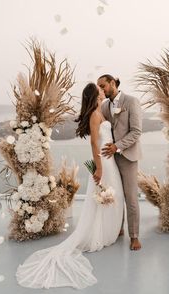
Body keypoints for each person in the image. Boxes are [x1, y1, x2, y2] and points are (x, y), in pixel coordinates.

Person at [16, 83, 124, 289]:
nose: (102, 90)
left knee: (111, 195)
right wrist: (98, 168)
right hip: (104, 161)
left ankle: (109, 230)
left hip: (109, 158)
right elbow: (94, 143)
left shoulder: (100, 110)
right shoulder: (94, 114)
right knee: (104, 196)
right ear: (95, 95)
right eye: (99, 89)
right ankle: (99, 233)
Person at [97, 74, 142, 250]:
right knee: (115, 195)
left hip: (128, 156)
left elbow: (136, 131)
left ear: (113, 83)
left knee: (131, 198)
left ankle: (134, 236)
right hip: (111, 158)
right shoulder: (105, 106)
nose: (101, 90)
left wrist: (117, 146)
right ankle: (118, 228)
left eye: (103, 86)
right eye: (99, 87)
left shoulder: (131, 101)